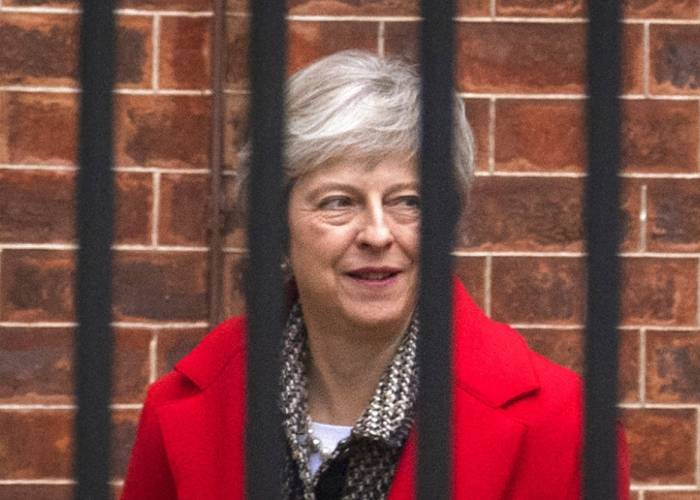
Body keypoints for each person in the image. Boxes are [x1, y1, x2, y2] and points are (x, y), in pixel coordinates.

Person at [121, 50, 629, 499]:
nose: (378, 234)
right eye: (338, 202)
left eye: (407, 201)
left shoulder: (564, 424)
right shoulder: (183, 407)